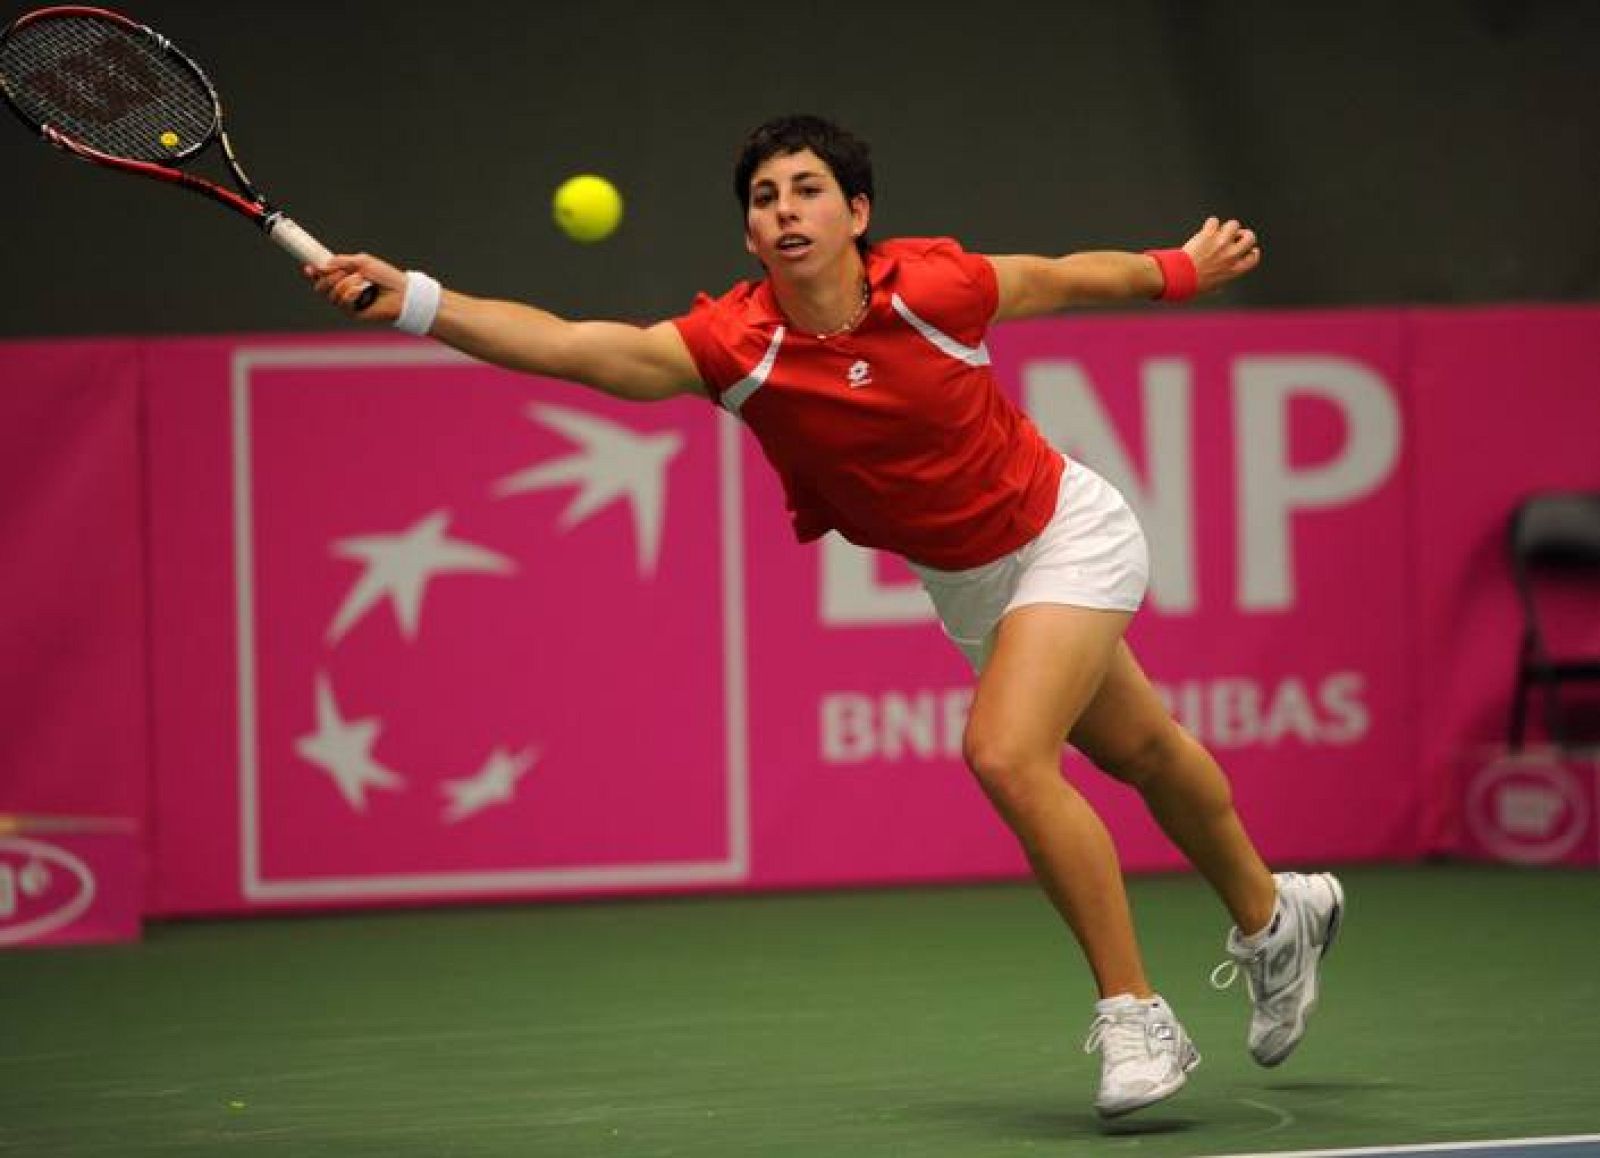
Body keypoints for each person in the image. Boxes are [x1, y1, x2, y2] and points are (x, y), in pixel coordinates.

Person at [307, 114, 1344, 1119]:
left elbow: (1060, 275)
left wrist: (1179, 267)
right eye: (764, 199)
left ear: (857, 213)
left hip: (1069, 531)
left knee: (1005, 753)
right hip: (969, 582)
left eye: (807, 191)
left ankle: (1135, 1014)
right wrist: (417, 301)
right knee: (1146, 752)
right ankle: (1273, 916)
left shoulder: (934, 286)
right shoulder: (735, 345)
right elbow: (578, 347)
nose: (785, 210)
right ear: (750, 234)